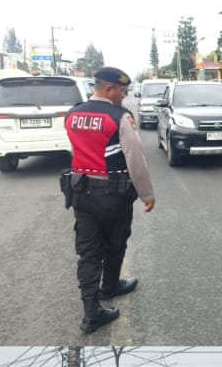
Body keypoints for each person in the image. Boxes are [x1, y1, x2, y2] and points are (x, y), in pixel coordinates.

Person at [64, 67, 155, 333]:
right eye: (122, 91)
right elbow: (135, 158)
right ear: (108, 89)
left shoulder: (73, 114)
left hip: (81, 192)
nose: (124, 96)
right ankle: (110, 286)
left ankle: (91, 311)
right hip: (113, 194)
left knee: (88, 251)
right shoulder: (119, 117)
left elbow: (76, 148)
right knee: (115, 242)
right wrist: (147, 194)